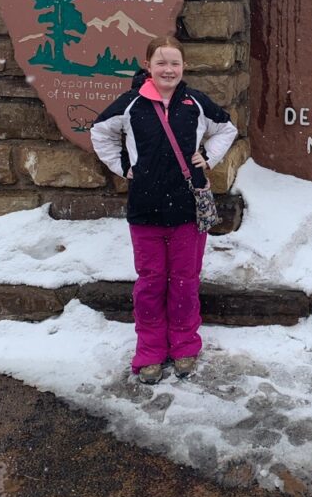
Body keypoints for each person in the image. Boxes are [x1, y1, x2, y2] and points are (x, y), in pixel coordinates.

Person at [90, 36, 238, 384]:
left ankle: (185, 346)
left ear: (183, 67)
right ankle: (150, 351)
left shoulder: (194, 102)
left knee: (185, 281)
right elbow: (99, 131)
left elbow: (226, 128)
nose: (168, 69)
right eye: (161, 63)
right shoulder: (131, 104)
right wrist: (123, 165)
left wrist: (209, 157)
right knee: (151, 282)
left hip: (188, 210)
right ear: (148, 66)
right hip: (145, 210)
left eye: (174, 63)